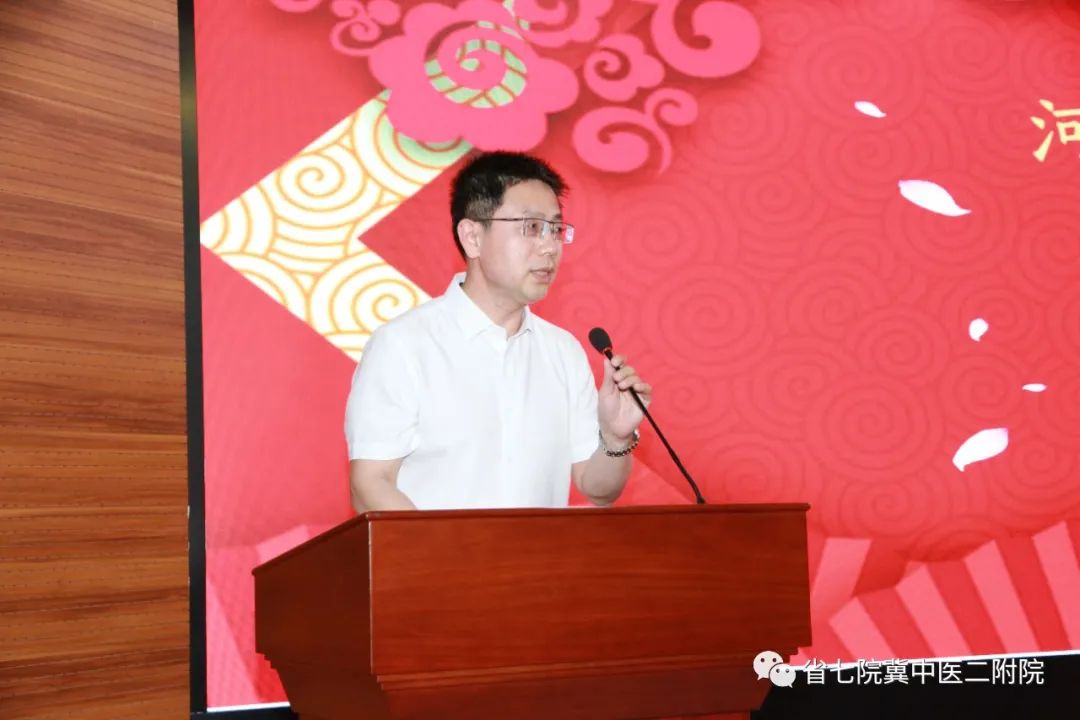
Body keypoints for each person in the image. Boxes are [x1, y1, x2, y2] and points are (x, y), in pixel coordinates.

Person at [344, 151, 652, 511]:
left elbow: (598, 489)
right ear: (472, 237)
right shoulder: (403, 345)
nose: (549, 246)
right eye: (531, 227)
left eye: (555, 229)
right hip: (435, 550)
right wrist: (453, 548)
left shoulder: (562, 351)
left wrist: (615, 438)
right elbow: (370, 484)